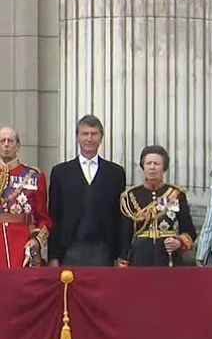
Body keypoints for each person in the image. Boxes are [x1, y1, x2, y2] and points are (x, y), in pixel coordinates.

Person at [48, 115, 127, 267]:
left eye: (94, 134)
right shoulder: (61, 172)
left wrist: (120, 255)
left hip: (104, 249)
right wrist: (54, 255)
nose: (89, 139)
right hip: (70, 248)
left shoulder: (115, 172)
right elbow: (54, 215)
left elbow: (120, 217)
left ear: (101, 137)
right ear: (77, 137)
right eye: (85, 134)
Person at [118, 145, 197, 267]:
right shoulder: (131, 196)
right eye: (148, 163)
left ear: (164, 168)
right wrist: (123, 260)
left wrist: (179, 242)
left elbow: (189, 230)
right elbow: (125, 233)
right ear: (143, 167)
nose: (152, 167)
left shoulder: (176, 194)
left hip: (169, 258)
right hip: (140, 257)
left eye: (156, 164)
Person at [0, 127, 51, 268]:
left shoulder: (34, 176)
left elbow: (43, 218)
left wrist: (37, 241)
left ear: (18, 145)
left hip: (22, 245)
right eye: (2, 141)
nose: (6, 145)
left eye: (10, 141)